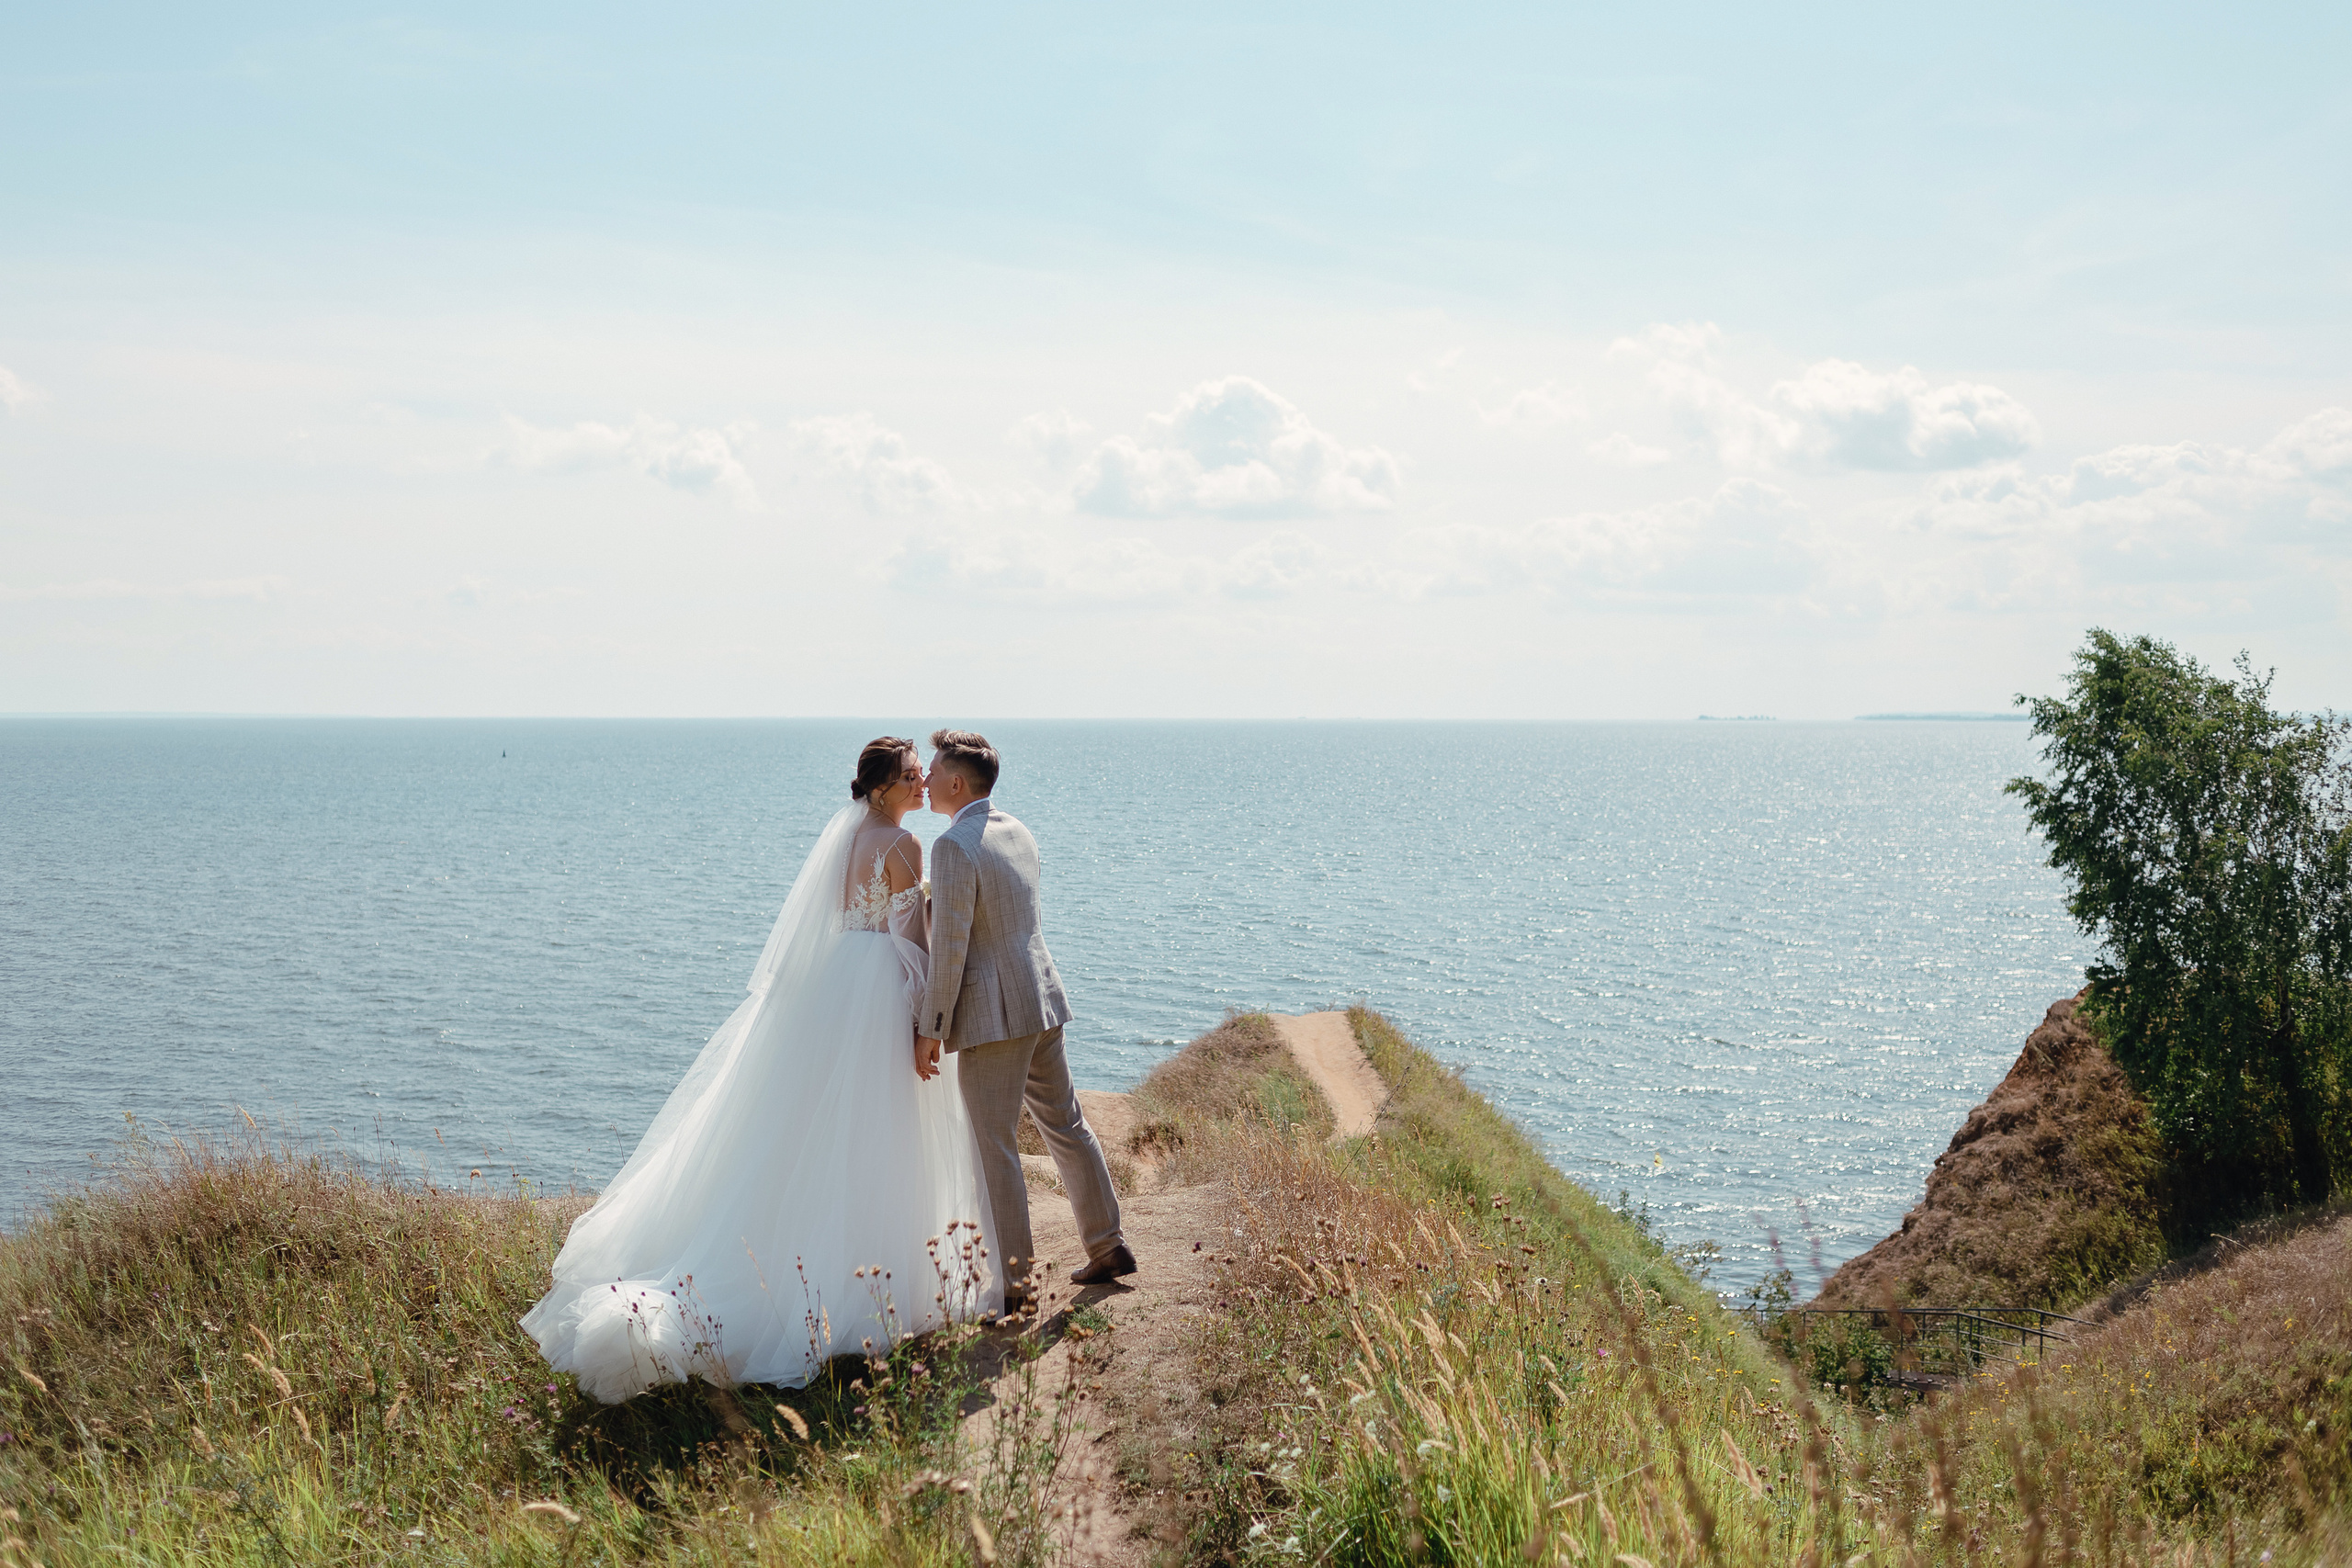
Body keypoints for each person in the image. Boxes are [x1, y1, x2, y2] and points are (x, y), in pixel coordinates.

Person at [521, 738, 1000, 1403]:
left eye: (925, 775)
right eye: (914, 777)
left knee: (816, 1127)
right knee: (876, 1130)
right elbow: (912, 943)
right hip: (880, 990)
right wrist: (929, 1020)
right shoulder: (905, 847)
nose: (924, 784)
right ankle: (870, 1288)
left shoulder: (849, 837)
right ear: (886, 788)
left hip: (837, 988)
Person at [915, 728, 1135, 1309]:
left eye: (934, 771)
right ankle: (1107, 1244)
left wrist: (930, 1027)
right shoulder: (1016, 831)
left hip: (993, 1018)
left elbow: (951, 948)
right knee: (1067, 1124)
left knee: (996, 1146)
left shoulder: (951, 848)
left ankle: (1014, 1286)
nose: (927, 780)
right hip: (1040, 997)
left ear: (956, 782)